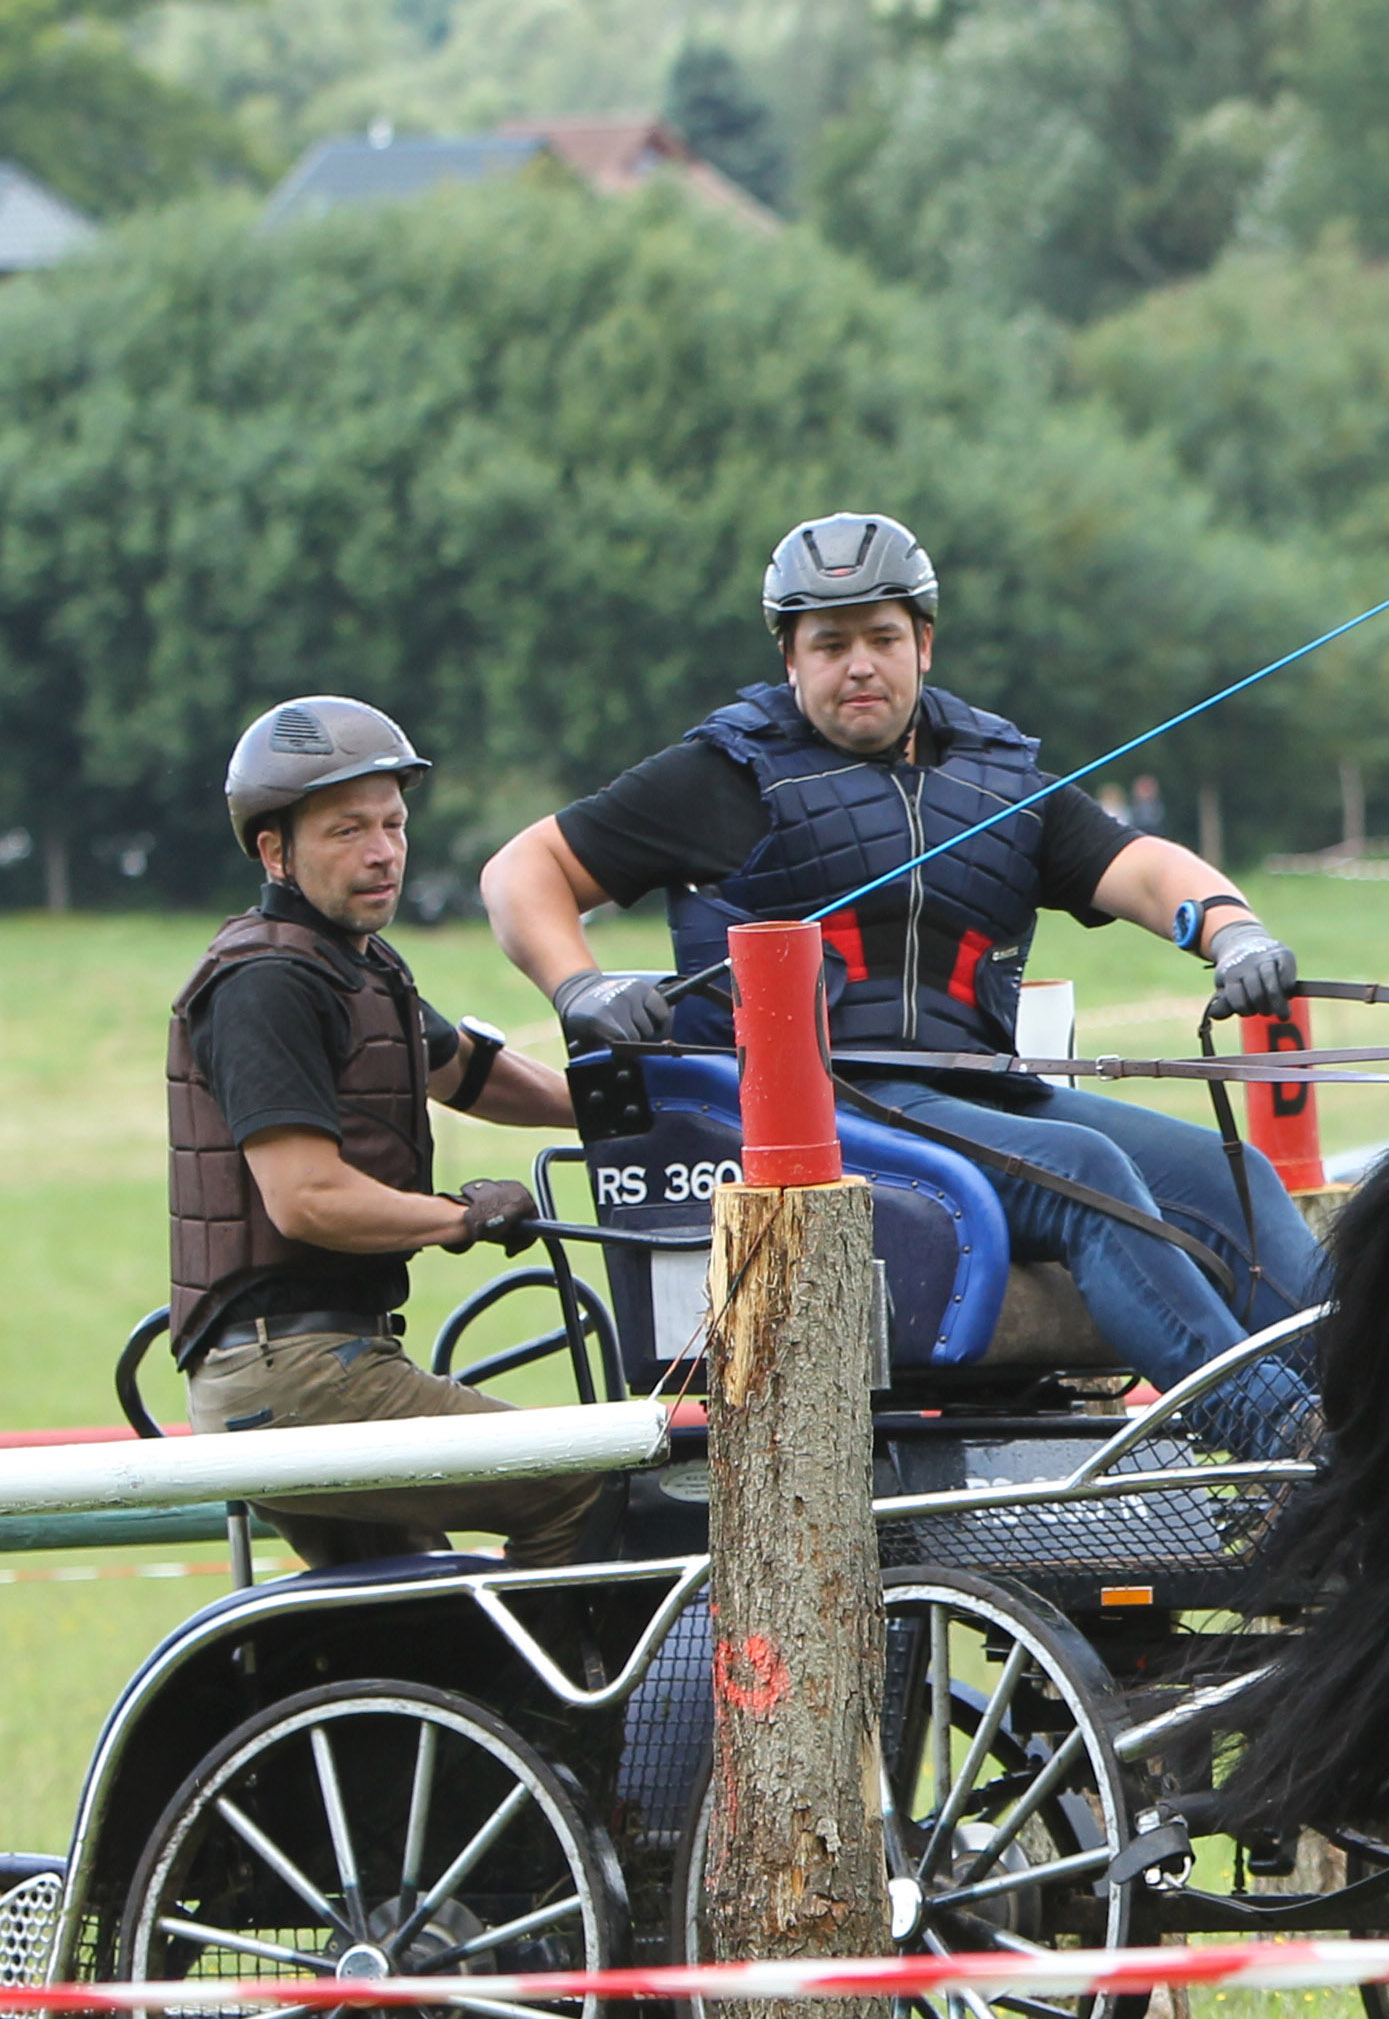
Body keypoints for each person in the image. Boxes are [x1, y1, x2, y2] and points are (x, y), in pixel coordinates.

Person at [478, 512, 1326, 1455]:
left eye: (882, 638)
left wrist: (1233, 930)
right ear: (789, 658)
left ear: (923, 641)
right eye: (829, 644)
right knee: (1085, 1178)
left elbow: (1143, 867)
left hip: (978, 1093)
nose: (859, 666)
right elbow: (523, 871)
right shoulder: (724, 776)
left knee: (1231, 1178)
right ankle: (1287, 1439)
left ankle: (1372, 1408)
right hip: (822, 1114)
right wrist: (580, 989)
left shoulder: (996, 775)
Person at [172, 699, 606, 1568]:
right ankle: (572, 1710)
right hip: (294, 1376)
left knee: (410, 1614)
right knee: (585, 1486)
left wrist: (618, 1110)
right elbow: (306, 1200)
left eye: (393, 824)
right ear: (275, 851)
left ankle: (453, 1708)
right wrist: (462, 1217)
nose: (383, 851)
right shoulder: (267, 983)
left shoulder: (357, 965)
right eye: (347, 830)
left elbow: (466, 1072)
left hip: (322, 1359)